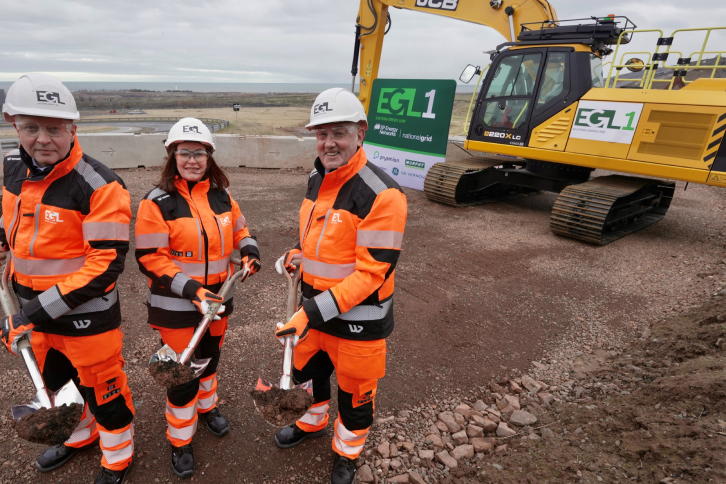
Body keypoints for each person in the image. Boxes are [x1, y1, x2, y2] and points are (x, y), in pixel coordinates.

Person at [0, 73, 135, 484]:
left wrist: (33, 312)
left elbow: (106, 264)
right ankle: (78, 436)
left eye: (55, 128)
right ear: (14, 125)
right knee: (56, 384)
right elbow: (11, 223)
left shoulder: (99, 185)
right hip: (32, 314)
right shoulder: (9, 168)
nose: (43, 139)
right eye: (31, 127)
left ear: (73, 129)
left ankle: (117, 457)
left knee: (103, 391)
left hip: (85, 319)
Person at [273, 88, 407, 484]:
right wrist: (296, 256)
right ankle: (312, 423)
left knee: (355, 397)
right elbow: (319, 240)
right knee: (308, 376)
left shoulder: (382, 195)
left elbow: (370, 275)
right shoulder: (319, 177)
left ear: (361, 133)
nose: (328, 142)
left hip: (356, 324)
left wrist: (308, 314)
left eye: (339, 133)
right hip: (314, 316)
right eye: (321, 133)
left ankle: (346, 454)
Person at [134, 117, 261, 478]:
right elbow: (149, 258)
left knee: (211, 358)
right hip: (176, 306)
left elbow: (240, 229)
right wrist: (193, 291)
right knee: (181, 377)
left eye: (199, 153)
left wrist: (249, 251)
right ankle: (180, 440)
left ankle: (208, 408)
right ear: (172, 155)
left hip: (218, 300)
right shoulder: (156, 202)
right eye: (184, 152)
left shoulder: (222, 195)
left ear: (210, 157)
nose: (192, 159)